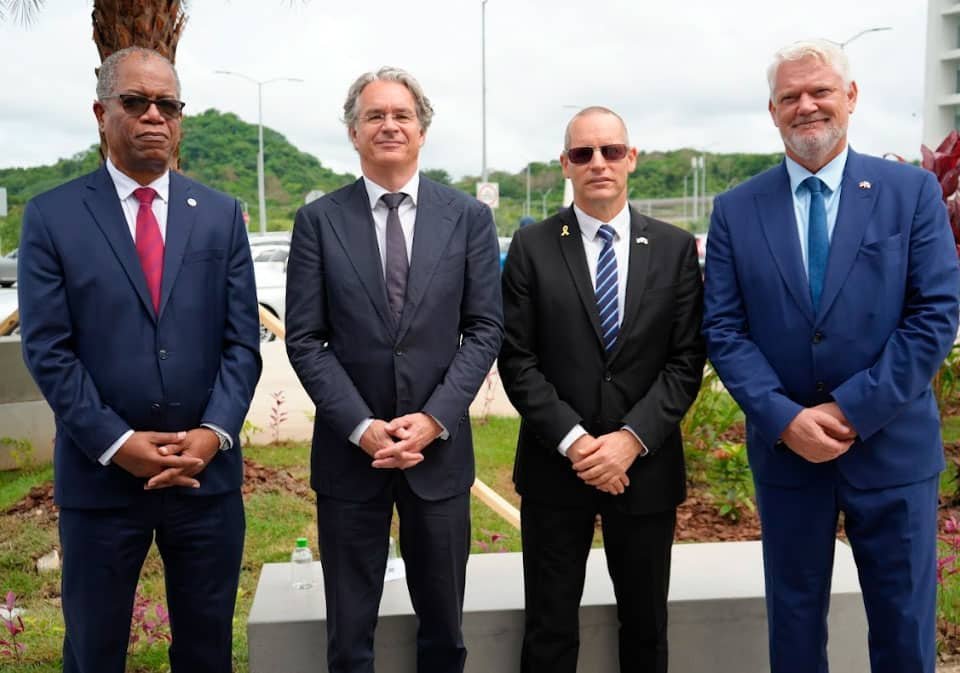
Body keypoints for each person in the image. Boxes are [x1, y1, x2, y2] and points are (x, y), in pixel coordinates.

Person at [703, 39, 960, 673]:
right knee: (793, 627)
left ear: (851, 98)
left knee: (904, 629)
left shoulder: (911, 193)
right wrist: (786, 419)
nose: (806, 105)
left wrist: (849, 410)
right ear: (772, 110)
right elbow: (725, 330)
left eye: (820, 91)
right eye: (790, 96)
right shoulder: (737, 209)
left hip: (892, 450)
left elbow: (933, 317)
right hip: (788, 455)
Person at [17, 47, 262, 673]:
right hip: (101, 482)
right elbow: (48, 349)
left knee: (207, 650)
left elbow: (242, 344)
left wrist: (212, 435)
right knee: (94, 650)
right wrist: (117, 441)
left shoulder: (221, 214)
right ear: (102, 113)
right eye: (136, 102)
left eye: (169, 104)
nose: (154, 115)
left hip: (204, 481)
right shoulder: (52, 216)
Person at [284, 66, 503, 673]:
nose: (389, 125)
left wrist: (434, 419)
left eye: (401, 115)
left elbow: (485, 328)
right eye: (374, 115)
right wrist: (361, 426)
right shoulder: (318, 222)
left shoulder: (468, 219)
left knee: (444, 633)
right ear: (353, 133)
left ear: (422, 130)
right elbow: (305, 339)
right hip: (351, 457)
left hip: (439, 456)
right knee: (350, 637)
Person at [499, 106, 706, 673]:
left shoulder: (673, 247)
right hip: (554, 466)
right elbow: (517, 359)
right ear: (565, 164)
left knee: (645, 627)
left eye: (611, 151)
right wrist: (576, 441)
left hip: (645, 467)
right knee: (549, 626)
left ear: (630, 158)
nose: (598, 164)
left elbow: (687, 360)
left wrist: (629, 441)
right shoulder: (532, 247)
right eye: (583, 153)